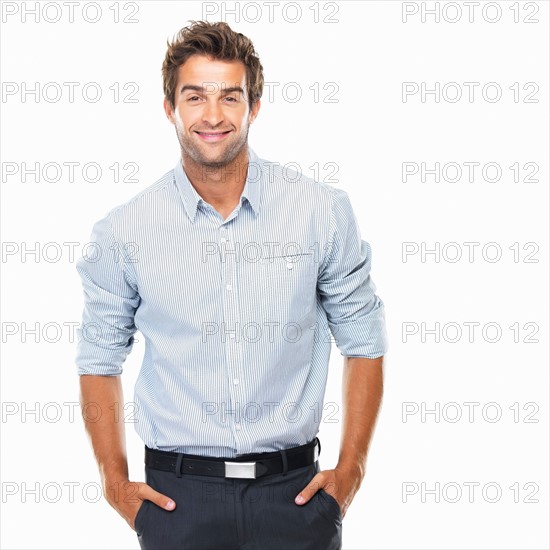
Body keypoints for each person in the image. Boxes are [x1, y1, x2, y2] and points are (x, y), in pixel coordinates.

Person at [75, 20, 388, 550]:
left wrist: (351, 469)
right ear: (170, 107)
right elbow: (99, 359)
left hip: (296, 497)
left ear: (254, 106)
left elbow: (364, 339)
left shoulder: (321, 212)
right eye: (195, 96)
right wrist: (115, 483)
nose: (213, 115)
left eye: (230, 96)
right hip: (176, 500)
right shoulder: (124, 230)